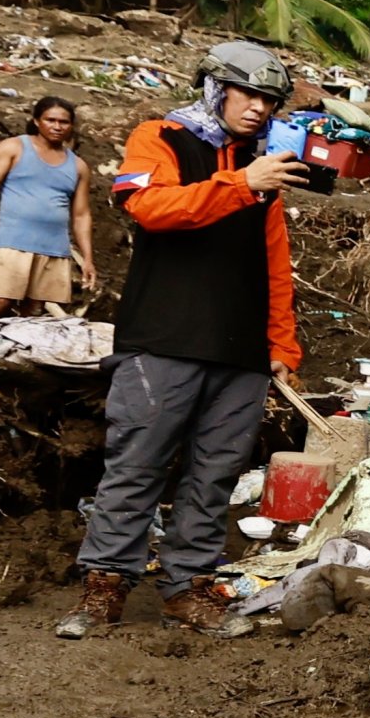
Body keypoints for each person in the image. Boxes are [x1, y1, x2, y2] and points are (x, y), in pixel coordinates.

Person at [61, 43, 313, 639]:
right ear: (214, 88)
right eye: (247, 93)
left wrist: (282, 346)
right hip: (163, 339)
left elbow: (275, 262)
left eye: (269, 101)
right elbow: (149, 206)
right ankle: (104, 590)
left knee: (215, 474)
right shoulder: (163, 137)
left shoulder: (263, 168)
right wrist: (240, 182)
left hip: (240, 350)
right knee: (136, 466)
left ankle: (188, 590)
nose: (257, 109)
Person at [0, 97, 94, 335]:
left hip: (54, 248)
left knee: (31, 311)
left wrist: (87, 258)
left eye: (64, 122)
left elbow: (81, 215)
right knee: (1, 302)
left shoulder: (78, 166)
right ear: (37, 121)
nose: (57, 126)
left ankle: (8, 360)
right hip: (14, 243)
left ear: (71, 126)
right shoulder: (13, 148)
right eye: (50, 120)